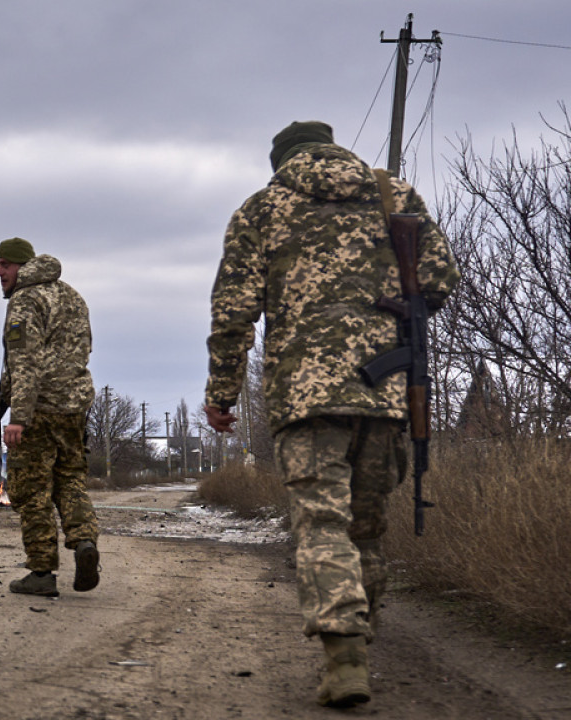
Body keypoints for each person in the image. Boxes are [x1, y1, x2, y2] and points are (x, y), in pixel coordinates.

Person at [203, 121, 459, 707]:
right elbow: (442, 279)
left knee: (321, 523)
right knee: (366, 527)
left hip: (305, 397)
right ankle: (361, 639)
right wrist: (390, 304)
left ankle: (345, 656)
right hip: (388, 391)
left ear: (281, 162)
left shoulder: (262, 208)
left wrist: (221, 394)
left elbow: (233, 313)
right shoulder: (394, 195)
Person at [0, 237, 100, 597]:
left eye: (5, 264)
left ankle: (41, 572)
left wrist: (17, 416)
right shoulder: (71, 295)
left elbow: (25, 362)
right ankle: (84, 541)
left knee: (31, 490)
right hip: (74, 406)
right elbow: (82, 349)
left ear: (23, 265)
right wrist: (2, 396)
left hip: (39, 409)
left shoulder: (26, 299)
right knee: (70, 478)